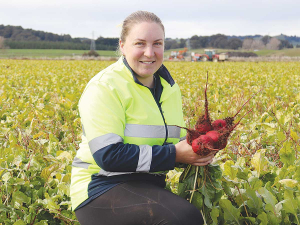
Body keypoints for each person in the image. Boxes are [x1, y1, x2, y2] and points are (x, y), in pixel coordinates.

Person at [70, 10, 215, 225]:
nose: (149, 52)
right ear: (122, 46)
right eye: (140, 43)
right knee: (184, 217)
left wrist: (198, 151)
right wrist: (175, 154)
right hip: (100, 187)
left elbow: (169, 144)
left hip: (145, 185)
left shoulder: (169, 88)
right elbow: (108, 156)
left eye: (157, 43)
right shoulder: (105, 87)